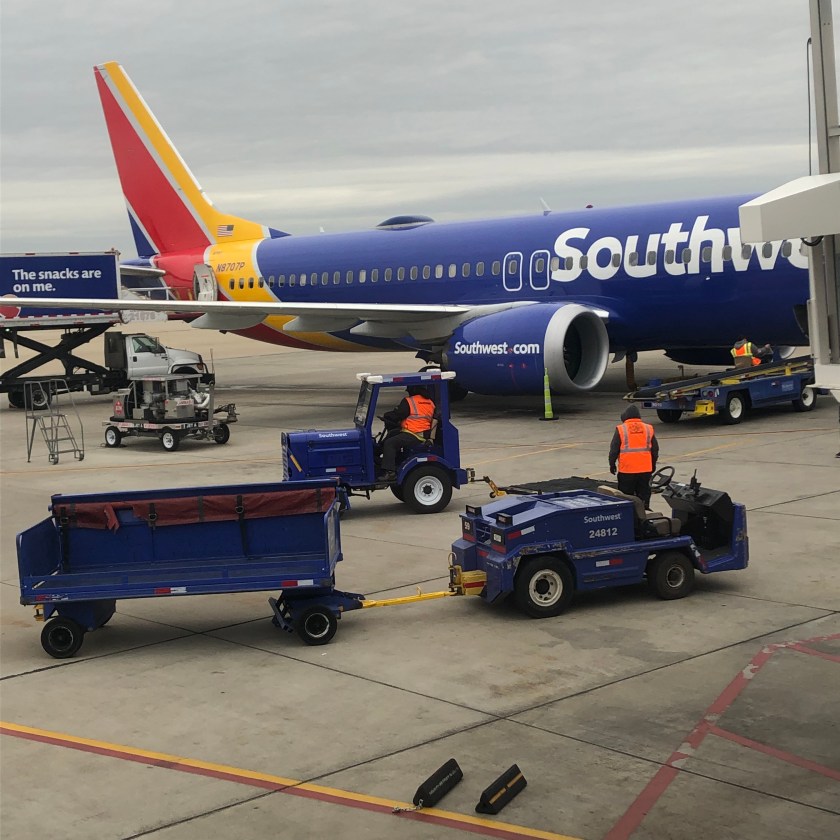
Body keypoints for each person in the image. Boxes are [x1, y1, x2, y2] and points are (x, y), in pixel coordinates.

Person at [378, 385, 436, 481]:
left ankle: (390, 472)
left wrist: (387, 415)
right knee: (392, 433)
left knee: (390, 443)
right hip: (421, 433)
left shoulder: (410, 401)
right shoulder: (430, 402)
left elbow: (398, 414)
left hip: (414, 434)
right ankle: (382, 457)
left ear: (413, 390)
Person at [608, 404, 659, 509]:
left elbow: (614, 450)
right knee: (644, 497)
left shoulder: (621, 429)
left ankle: (628, 516)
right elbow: (655, 449)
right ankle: (644, 515)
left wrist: (612, 464)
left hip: (627, 471)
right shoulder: (648, 428)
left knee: (626, 498)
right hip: (645, 470)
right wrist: (652, 465)